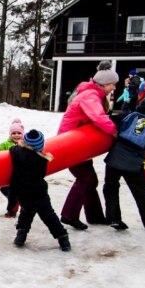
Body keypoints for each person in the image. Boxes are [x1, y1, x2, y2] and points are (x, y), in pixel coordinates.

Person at [57, 60, 118, 230]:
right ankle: (69, 215)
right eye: (112, 84)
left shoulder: (93, 94)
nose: (114, 87)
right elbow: (99, 117)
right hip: (71, 143)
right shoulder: (90, 96)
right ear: (104, 83)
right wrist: (114, 131)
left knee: (91, 180)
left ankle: (95, 216)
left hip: (80, 144)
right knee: (85, 178)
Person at [103, 97, 145, 232]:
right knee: (142, 192)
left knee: (111, 187)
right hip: (134, 163)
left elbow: (115, 124)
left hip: (114, 158)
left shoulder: (130, 116)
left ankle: (113, 218)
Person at [10, 130, 71, 251]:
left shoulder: (16, 152)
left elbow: (12, 149)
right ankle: (62, 237)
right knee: (49, 216)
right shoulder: (41, 160)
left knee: (26, 212)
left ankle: (21, 235)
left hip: (22, 192)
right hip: (38, 194)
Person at [0, 118, 24, 217]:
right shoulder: (6, 144)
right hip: (8, 173)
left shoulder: (25, 145)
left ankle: (12, 211)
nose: (16, 135)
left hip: (20, 174)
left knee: (15, 192)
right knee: (4, 189)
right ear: (10, 134)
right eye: (14, 133)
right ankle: (15, 202)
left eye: (19, 133)